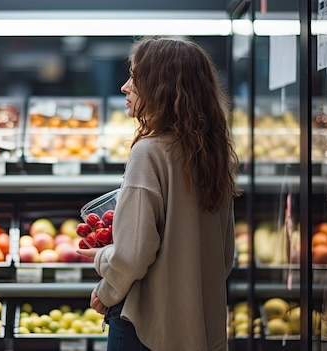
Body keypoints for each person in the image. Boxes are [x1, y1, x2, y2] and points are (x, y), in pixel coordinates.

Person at [77, 36, 241, 351]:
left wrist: (104, 272)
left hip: (148, 329)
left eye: (135, 79)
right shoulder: (212, 155)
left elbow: (133, 255)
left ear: (160, 87)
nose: (125, 87)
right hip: (201, 329)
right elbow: (225, 256)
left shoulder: (149, 151)